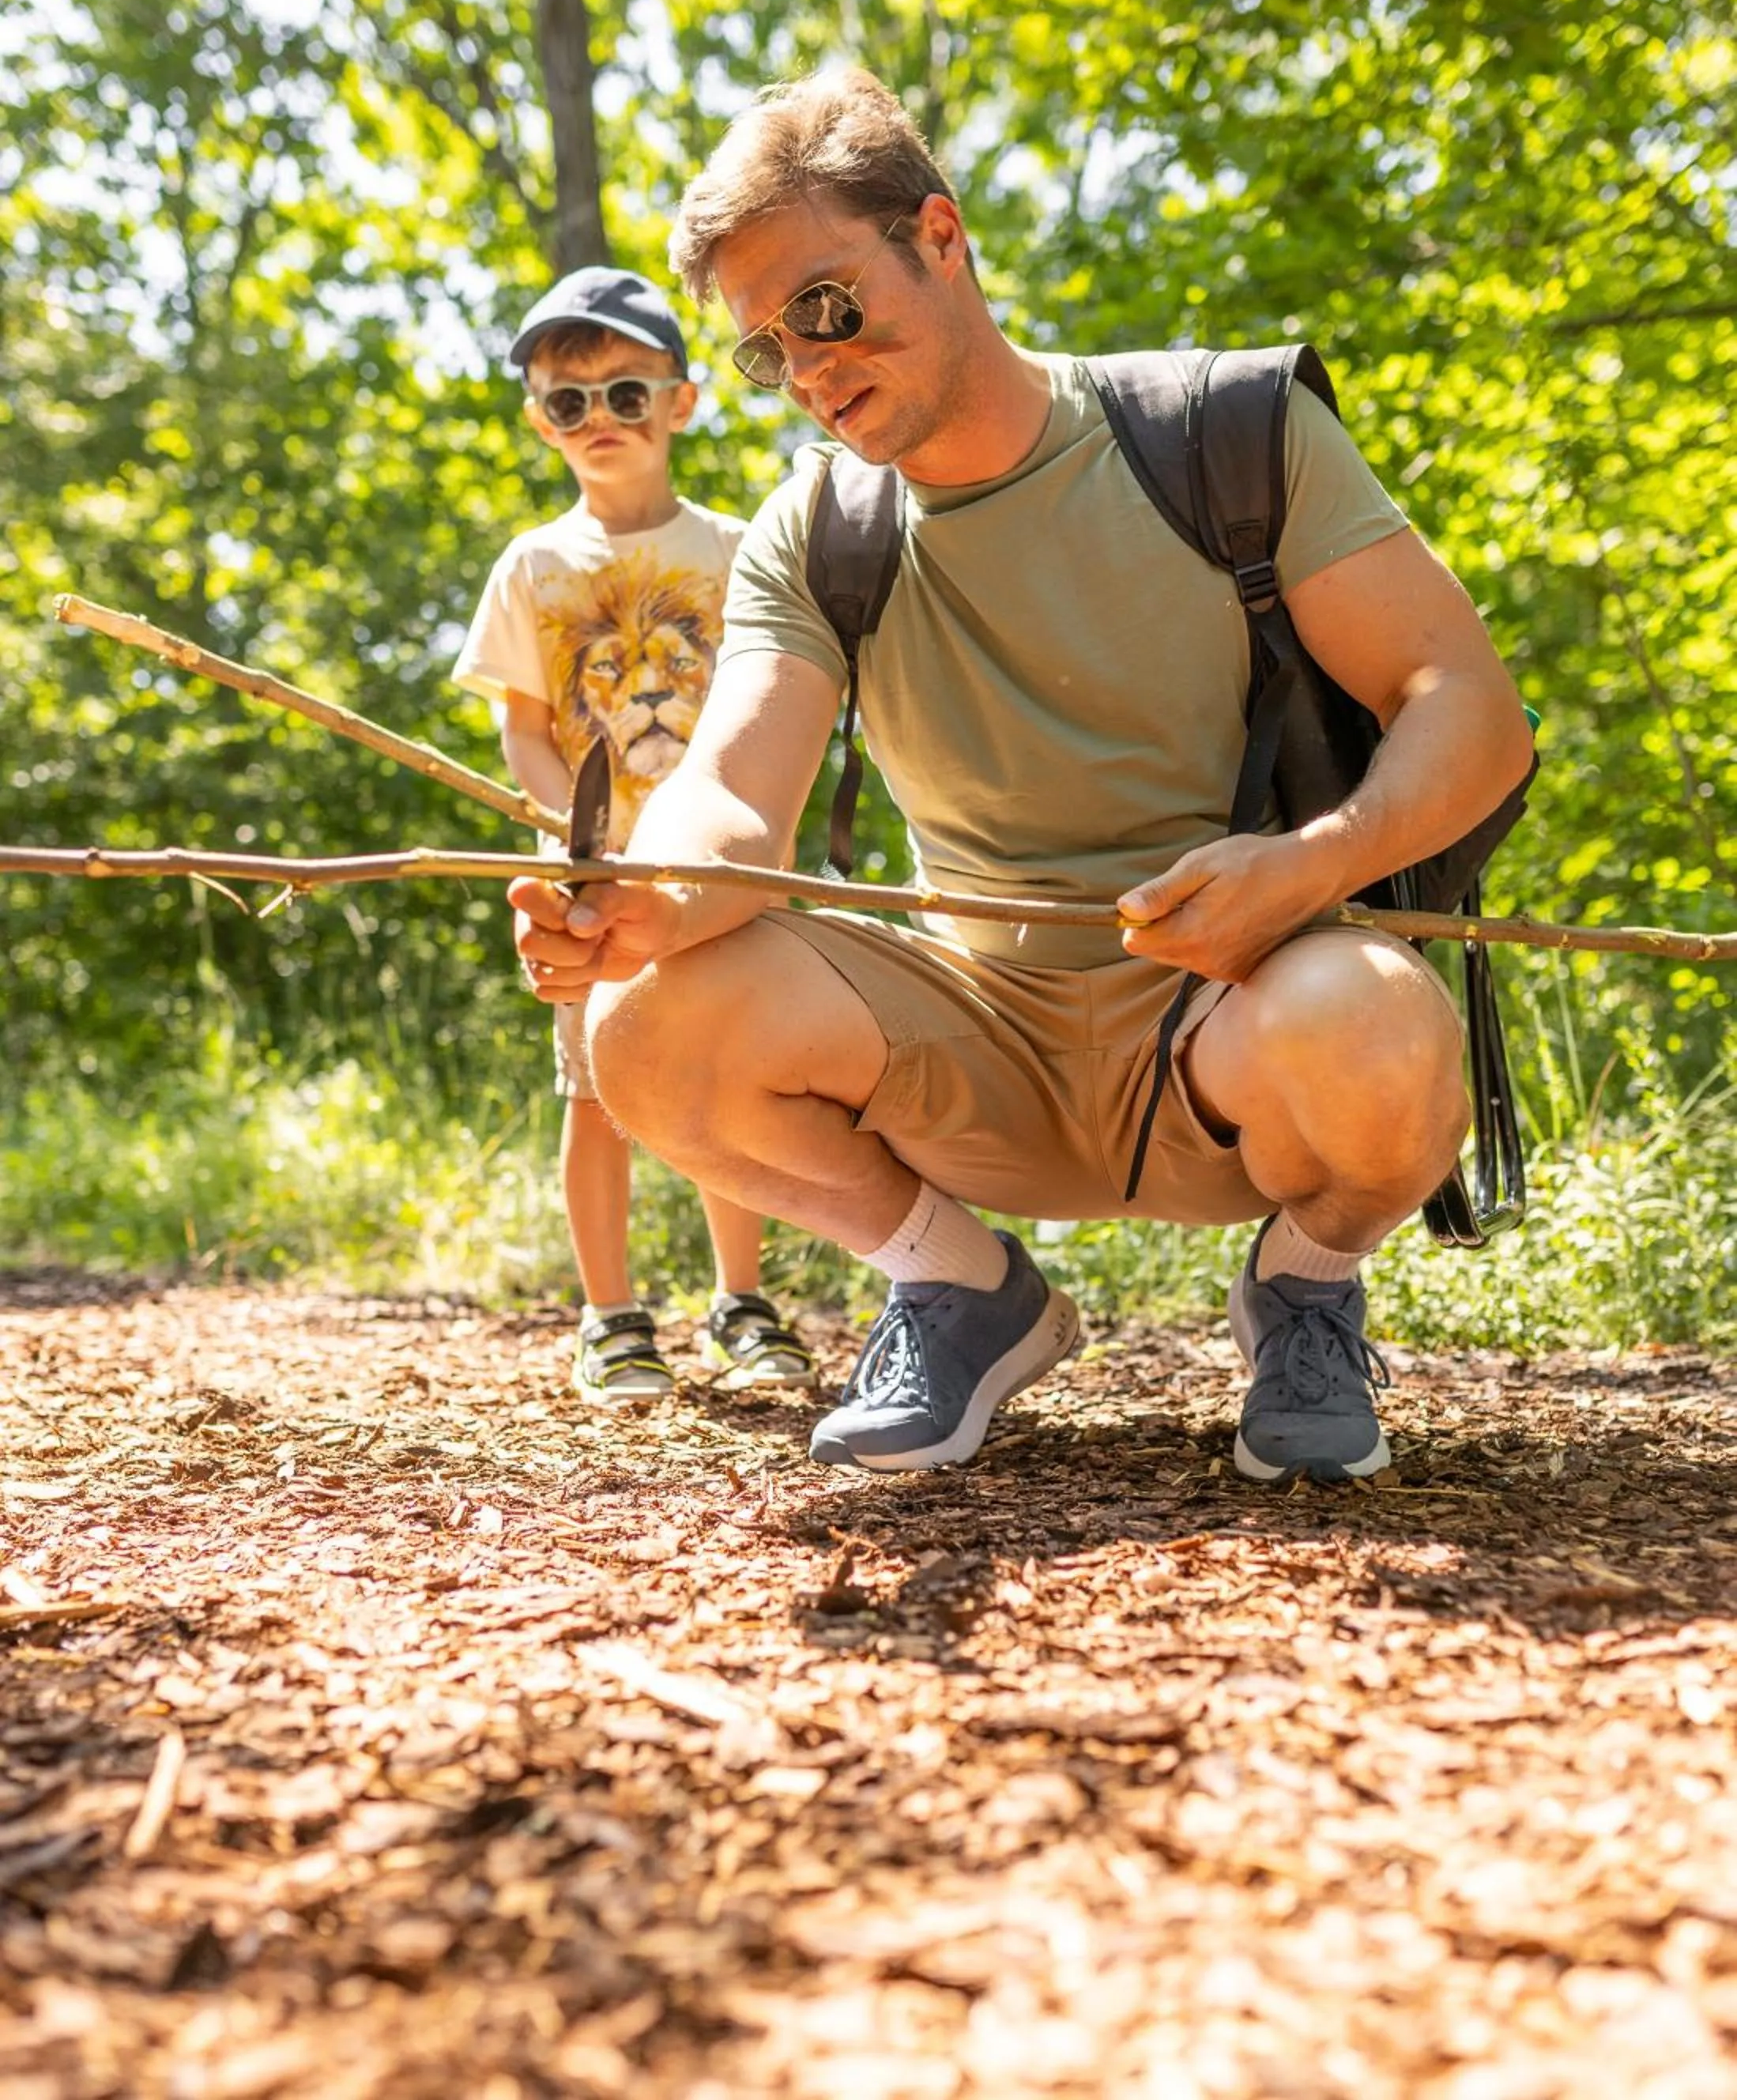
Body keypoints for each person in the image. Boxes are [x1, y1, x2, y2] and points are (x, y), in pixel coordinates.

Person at [507, 73, 1537, 1480]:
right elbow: (735, 794)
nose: (808, 371)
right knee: (646, 1023)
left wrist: (1309, 868)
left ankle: (1303, 1287)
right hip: (971, 1047)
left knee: (1380, 1018)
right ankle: (960, 1291)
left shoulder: (1226, 435)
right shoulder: (815, 530)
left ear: (939, 236)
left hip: (1233, 1025)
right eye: (764, 350)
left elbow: (1468, 710)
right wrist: (646, 902)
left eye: (823, 307)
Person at [454, 265, 814, 1404]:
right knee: (595, 1091)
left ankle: (742, 1301)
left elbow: (775, 704)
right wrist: (578, 834)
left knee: (727, 1077)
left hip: (719, 872)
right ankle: (609, 1317)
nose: (598, 420)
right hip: (589, 879)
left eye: (626, 393)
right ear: (537, 419)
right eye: (568, 400)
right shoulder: (534, 566)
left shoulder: (741, 547)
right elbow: (522, 726)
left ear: (682, 402)